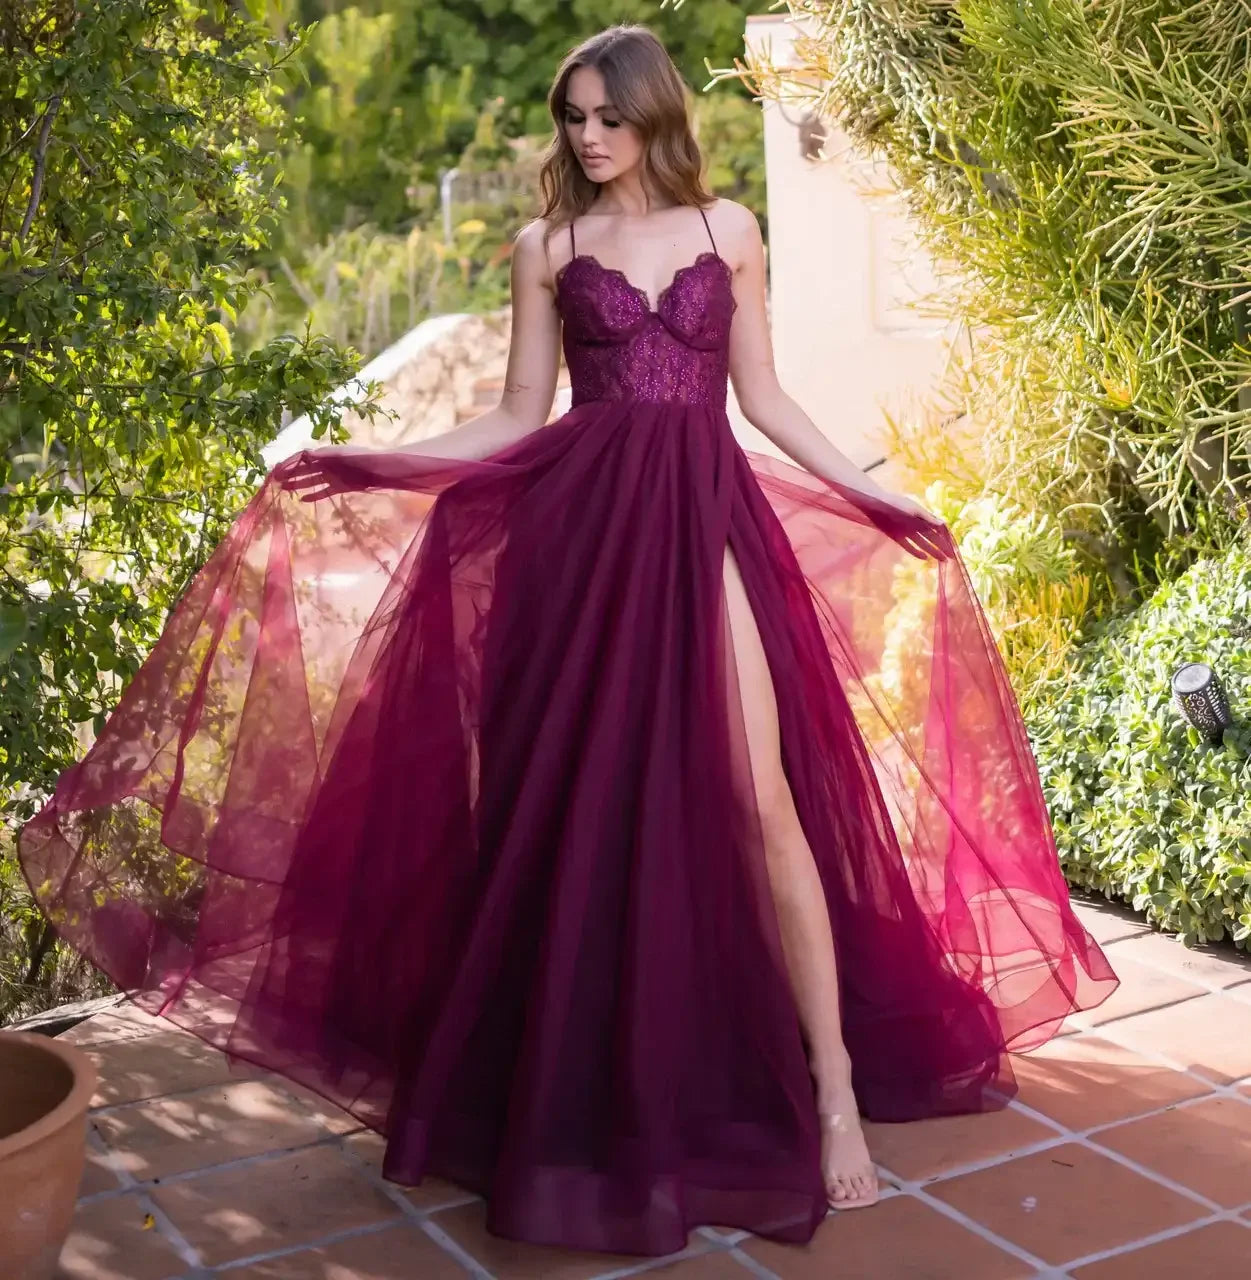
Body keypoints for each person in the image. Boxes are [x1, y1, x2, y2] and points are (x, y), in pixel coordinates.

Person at [19, 24, 1116, 1258]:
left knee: (764, 804)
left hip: (704, 533)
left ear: (653, 112)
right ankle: (574, 1086)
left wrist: (879, 491)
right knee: (570, 815)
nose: (587, 137)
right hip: (578, 553)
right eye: (573, 117)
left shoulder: (729, 231)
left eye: (607, 114)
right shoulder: (548, 246)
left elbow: (764, 395)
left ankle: (837, 1092)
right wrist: (368, 459)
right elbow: (508, 413)